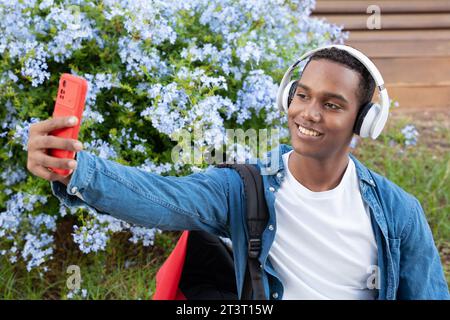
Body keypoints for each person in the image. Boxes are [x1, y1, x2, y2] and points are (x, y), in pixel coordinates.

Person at [26, 46, 449, 300]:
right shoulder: (247, 187)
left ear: (364, 122)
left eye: (332, 104)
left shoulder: (397, 213)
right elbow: (160, 199)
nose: (309, 113)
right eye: (301, 96)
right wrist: (74, 170)